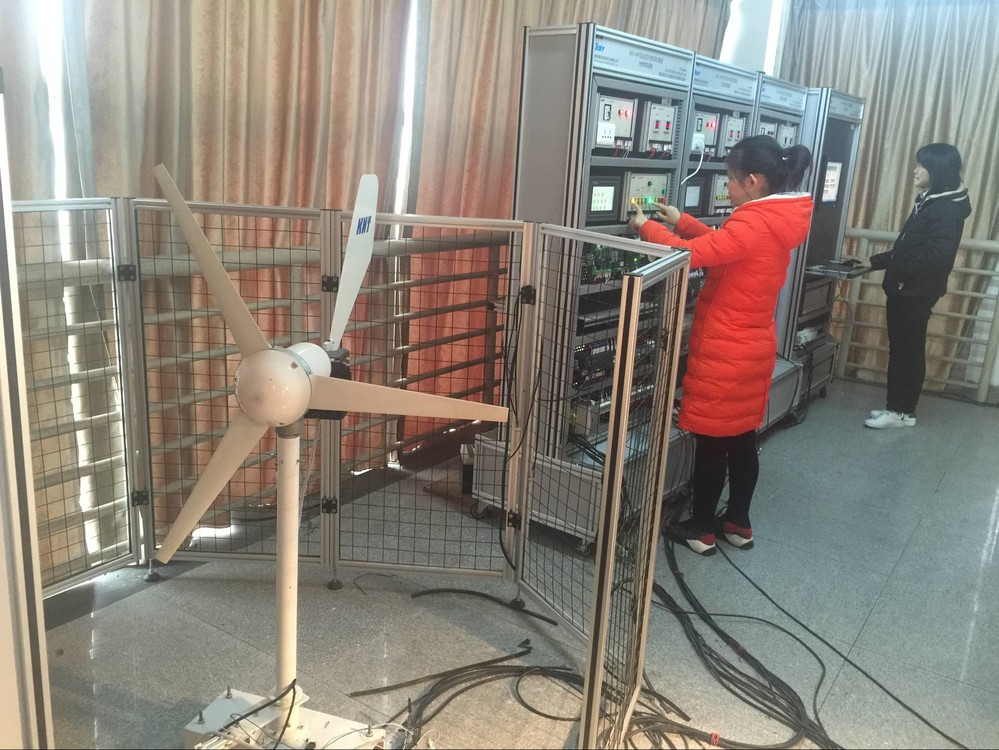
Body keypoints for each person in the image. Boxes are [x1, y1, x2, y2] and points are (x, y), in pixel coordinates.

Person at [628, 135, 813, 555]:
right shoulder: (777, 219)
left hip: (726, 351)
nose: (727, 187)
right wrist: (682, 220)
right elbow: (725, 247)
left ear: (752, 181)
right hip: (753, 348)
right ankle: (738, 524)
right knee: (743, 440)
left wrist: (645, 227)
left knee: (712, 444)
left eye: (729, 179)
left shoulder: (753, 222)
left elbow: (688, 255)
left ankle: (701, 529)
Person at [857, 143, 971, 429]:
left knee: (905, 352)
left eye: (922, 165)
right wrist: (873, 262)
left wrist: (896, 270)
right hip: (910, 288)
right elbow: (908, 247)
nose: (915, 170)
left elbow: (935, 258)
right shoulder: (932, 200)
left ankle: (897, 411)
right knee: (907, 349)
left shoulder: (945, 209)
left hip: (913, 291)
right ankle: (905, 411)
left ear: (938, 170)